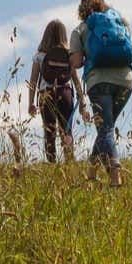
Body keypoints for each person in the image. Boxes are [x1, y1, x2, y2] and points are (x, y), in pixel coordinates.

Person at [70, 0, 132, 187]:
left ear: (82, 9)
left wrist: (80, 56)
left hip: (99, 82)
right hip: (125, 81)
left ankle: (115, 175)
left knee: (105, 128)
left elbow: (76, 62)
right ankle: (91, 173)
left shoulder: (80, 29)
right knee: (105, 129)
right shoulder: (120, 22)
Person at [27, 19, 87, 163]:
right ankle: (70, 162)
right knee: (66, 131)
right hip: (65, 93)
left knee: (50, 132)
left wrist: (30, 103)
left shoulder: (39, 56)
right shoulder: (68, 55)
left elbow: (33, 80)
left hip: (45, 95)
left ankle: (52, 164)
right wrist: (82, 101)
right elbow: (76, 80)